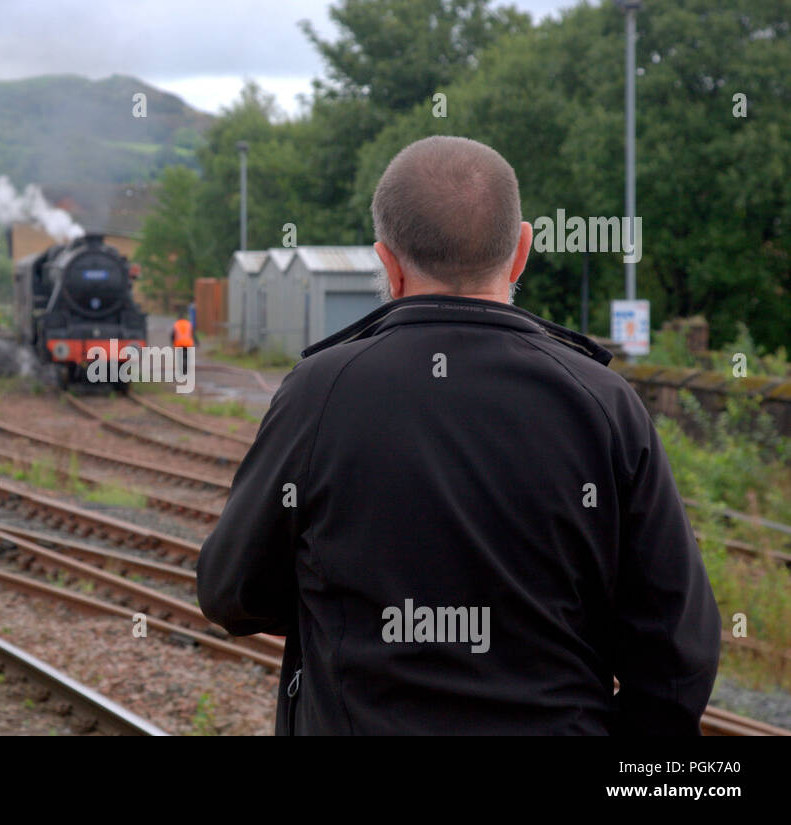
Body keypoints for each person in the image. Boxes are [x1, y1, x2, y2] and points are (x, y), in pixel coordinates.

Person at [196, 135, 720, 735]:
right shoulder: (604, 405)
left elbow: (232, 595)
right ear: (521, 250)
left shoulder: (319, 393)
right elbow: (679, 652)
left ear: (387, 264)